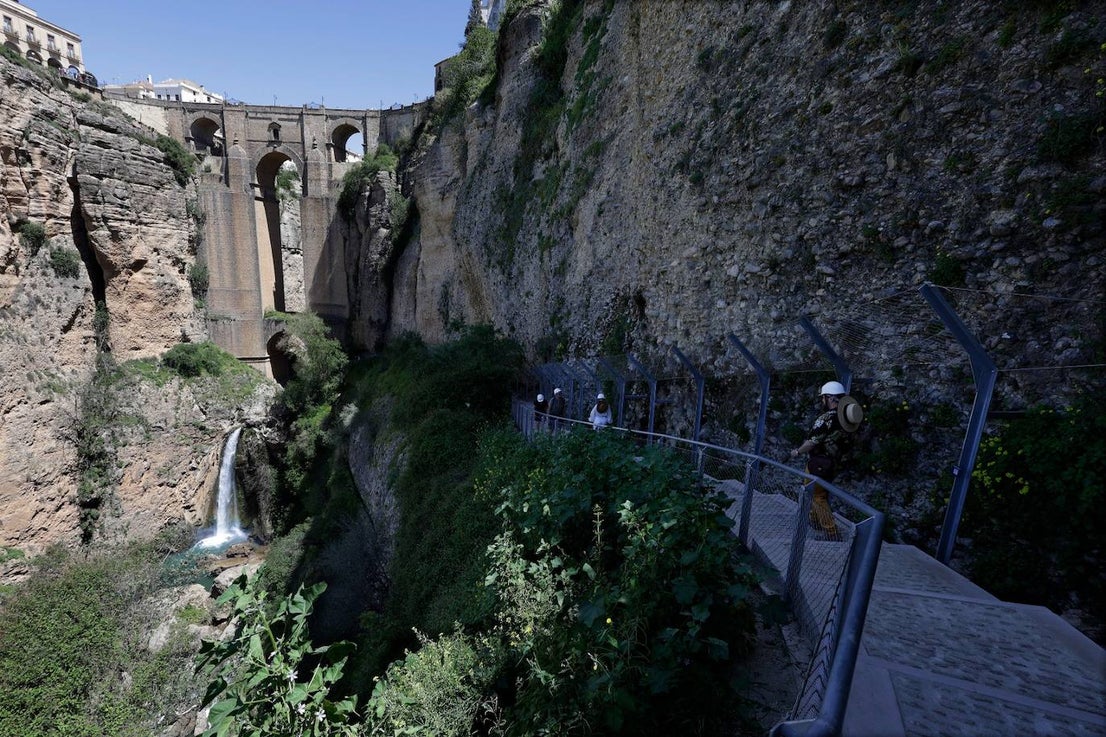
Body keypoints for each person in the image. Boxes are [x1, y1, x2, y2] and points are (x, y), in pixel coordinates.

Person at [789, 381, 863, 539]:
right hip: (835, 463)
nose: (822, 401)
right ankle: (814, 520)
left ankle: (831, 531)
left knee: (817, 496)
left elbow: (812, 441)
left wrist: (797, 451)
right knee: (818, 493)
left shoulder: (826, 419)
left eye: (823, 398)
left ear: (829, 398)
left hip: (819, 462)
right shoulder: (848, 419)